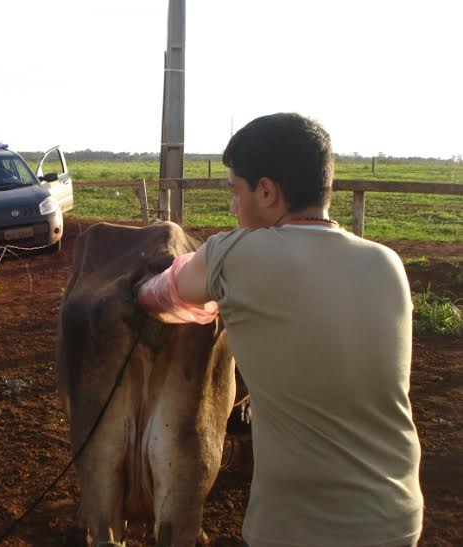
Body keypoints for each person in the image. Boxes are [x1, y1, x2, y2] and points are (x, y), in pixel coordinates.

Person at [137, 113, 423, 547]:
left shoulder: (235, 256)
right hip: (398, 518)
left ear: (267, 191)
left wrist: (156, 288)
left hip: (299, 528)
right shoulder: (387, 263)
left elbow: (160, 297)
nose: (233, 208)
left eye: (236, 191)